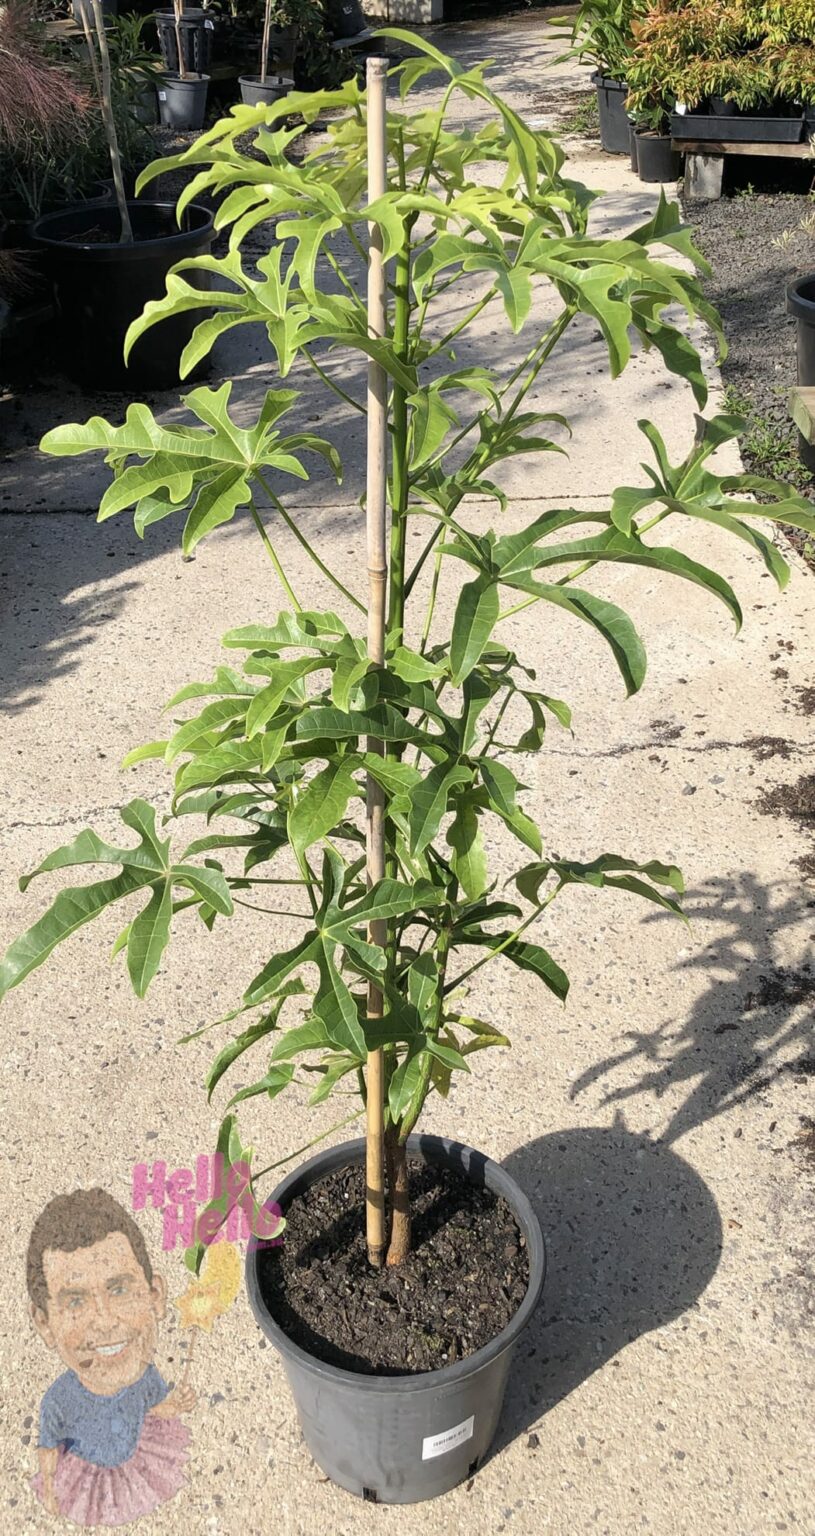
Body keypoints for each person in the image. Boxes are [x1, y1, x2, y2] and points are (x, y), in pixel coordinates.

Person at [27, 1187, 195, 1526]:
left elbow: (150, 1410)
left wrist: (173, 1407)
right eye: (75, 1301)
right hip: (87, 1476)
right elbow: (49, 1451)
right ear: (44, 1323)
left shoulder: (147, 1376)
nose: (105, 1321)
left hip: (132, 1462)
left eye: (119, 1289)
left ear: (155, 1296)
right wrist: (48, 1486)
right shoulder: (58, 1400)